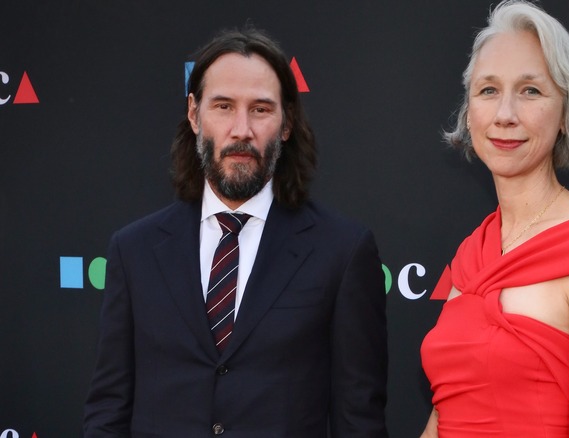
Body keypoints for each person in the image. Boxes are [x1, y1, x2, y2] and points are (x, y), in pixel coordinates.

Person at [83, 27, 388, 437]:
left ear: (286, 123)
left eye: (261, 109)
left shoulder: (342, 252)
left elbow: (359, 422)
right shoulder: (134, 251)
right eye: (223, 106)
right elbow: (108, 410)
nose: (241, 129)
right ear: (194, 115)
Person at [419, 1, 569, 437]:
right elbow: (447, 415)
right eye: (488, 90)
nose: (505, 115)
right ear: (469, 112)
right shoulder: (473, 251)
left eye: (530, 91)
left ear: (564, 114)